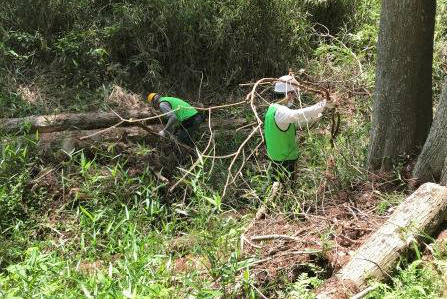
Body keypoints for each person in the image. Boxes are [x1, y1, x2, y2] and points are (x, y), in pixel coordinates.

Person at [264, 75, 335, 180]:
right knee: (286, 187)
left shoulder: (272, 108)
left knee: (279, 184)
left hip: (276, 156)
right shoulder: (281, 112)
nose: (295, 97)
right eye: (294, 94)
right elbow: (297, 114)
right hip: (285, 159)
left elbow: (292, 123)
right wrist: (323, 104)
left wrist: (313, 118)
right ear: (289, 94)